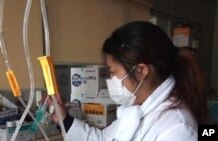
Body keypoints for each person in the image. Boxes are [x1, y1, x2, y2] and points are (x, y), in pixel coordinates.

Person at [49, 21, 208, 141]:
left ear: (141, 71)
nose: (110, 80)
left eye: (112, 72)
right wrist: (64, 119)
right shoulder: (138, 110)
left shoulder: (177, 129)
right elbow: (104, 139)